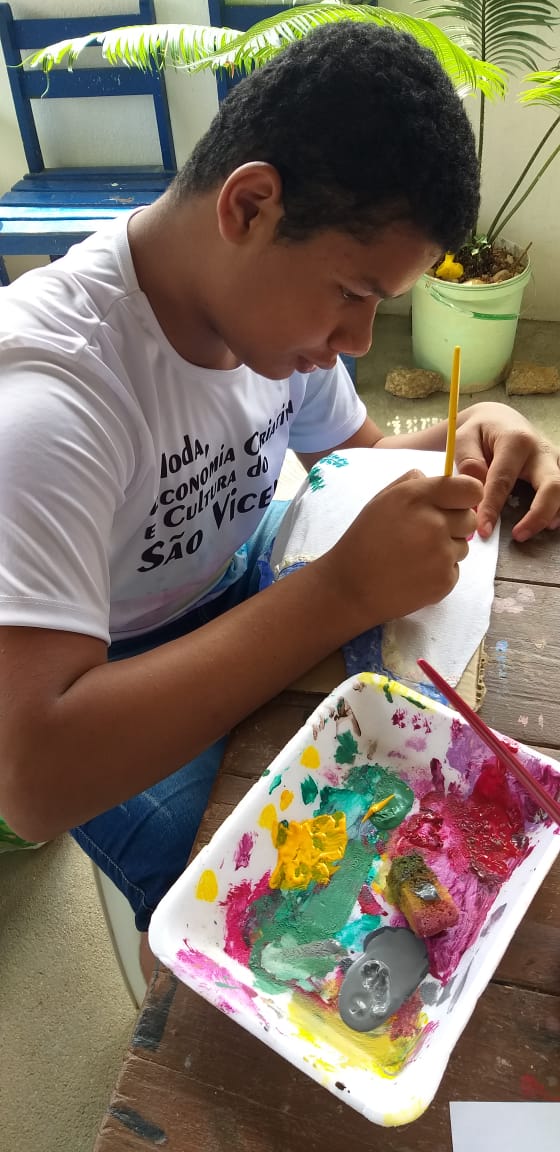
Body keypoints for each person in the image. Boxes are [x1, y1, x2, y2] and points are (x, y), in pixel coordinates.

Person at [1, 22, 559, 978]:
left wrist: (475, 432)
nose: (359, 341)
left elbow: (356, 459)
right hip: (101, 671)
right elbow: (35, 782)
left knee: (432, 803)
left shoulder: (263, 317)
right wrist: (337, 593)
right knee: (283, 914)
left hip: (239, 575)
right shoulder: (48, 399)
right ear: (251, 205)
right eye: (352, 293)